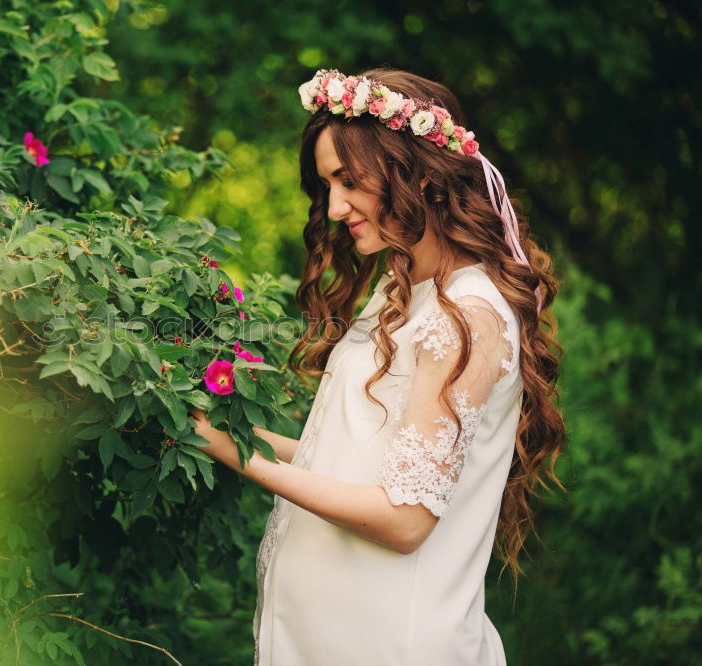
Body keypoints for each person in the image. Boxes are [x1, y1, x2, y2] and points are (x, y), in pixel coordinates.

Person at [188, 67, 566, 665]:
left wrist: (235, 452)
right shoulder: (401, 291)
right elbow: (350, 458)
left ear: (415, 171)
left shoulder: (467, 316)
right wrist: (221, 428)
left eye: (348, 181)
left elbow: (405, 518)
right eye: (326, 185)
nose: (334, 207)